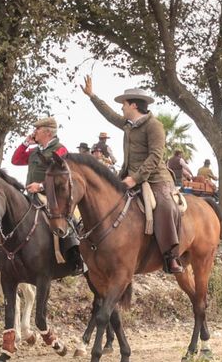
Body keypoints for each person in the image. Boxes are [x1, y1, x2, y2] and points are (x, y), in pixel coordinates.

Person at [84, 76, 182, 274]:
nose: (121, 108)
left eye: (124, 104)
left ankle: (171, 256)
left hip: (156, 178)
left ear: (134, 105)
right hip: (128, 176)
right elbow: (110, 115)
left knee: (164, 206)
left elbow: (156, 156)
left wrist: (135, 178)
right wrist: (92, 96)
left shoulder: (154, 126)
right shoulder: (128, 125)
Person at [11, 116, 86, 272]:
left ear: (47, 132)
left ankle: (75, 258)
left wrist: (40, 186)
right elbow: (15, 160)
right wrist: (26, 143)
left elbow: (65, 176)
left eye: (37, 129)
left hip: (51, 194)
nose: (34, 132)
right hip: (30, 194)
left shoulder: (60, 149)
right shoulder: (34, 151)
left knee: (66, 218)